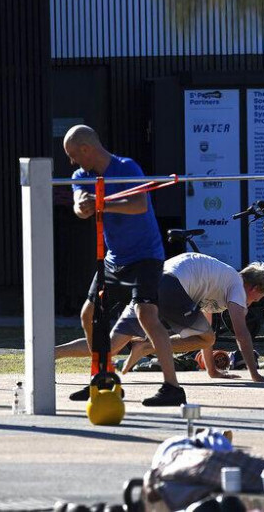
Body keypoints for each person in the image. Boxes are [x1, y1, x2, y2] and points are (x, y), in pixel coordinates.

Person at [62, 125, 184, 406]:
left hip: (145, 256)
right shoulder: (81, 175)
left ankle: (172, 387)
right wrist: (84, 205)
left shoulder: (127, 167)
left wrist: (102, 203)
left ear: (86, 149)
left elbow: (139, 205)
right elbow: (80, 206)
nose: (71, 161)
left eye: (72, 154)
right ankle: (103, 376)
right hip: (114, 258)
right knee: (88, 314)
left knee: (146, 315)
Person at [57, 253, 264, 384]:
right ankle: (146, 347)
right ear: (253, 288)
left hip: (151, 282)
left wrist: (212, 371)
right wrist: (256, 375)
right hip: (171, 284)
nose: (255, 303)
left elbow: (205, 325)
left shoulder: (219, 282)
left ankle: (52, 353)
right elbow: (241, 333)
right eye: (258, 298)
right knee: (208, 338)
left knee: (112, 345)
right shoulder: (235, 285)